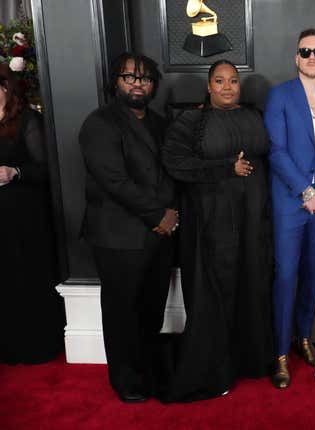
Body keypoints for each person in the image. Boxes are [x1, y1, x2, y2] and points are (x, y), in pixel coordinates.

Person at [160, 59, 273, 402]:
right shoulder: (192, 121)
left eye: (233, 81)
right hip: (212, 222)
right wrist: (225, 167)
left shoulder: (254, 116)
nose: (227, 87)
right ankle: (214, 367)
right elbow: (175, 163)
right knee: (217, 288)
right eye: (220, 81)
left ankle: (251, 360)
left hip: (254, 220)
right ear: (209, 87)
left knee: (252, 283)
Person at [79, 53, 176, 403]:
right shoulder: (99, 123)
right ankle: (125, 381)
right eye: (129, 77)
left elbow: (172, 172)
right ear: (115, 82)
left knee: (152, 309)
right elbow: (114, 180)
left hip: (159, 235)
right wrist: (158, 215)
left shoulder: (161, 122)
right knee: (122, 313)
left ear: (153, 86)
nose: (138, 83)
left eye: (145, 78)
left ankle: (147, 371)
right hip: (119, 236)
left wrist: (171, 213)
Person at [264, 28, 315, 389]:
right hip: (290, 202)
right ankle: (280, 352)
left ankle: (304, 339)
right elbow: (276, 151)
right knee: (286, 276)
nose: (312, 57)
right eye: (305, 51)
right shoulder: (279, 95)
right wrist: (305, 190)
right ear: (297, 58)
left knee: (314, 274)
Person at [0, 64, 65, 364]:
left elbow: (49, 170)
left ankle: (38, 345)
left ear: (5, 88)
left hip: (25, 216)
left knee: (28, 278)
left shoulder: (27, 119)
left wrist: (15, 172)